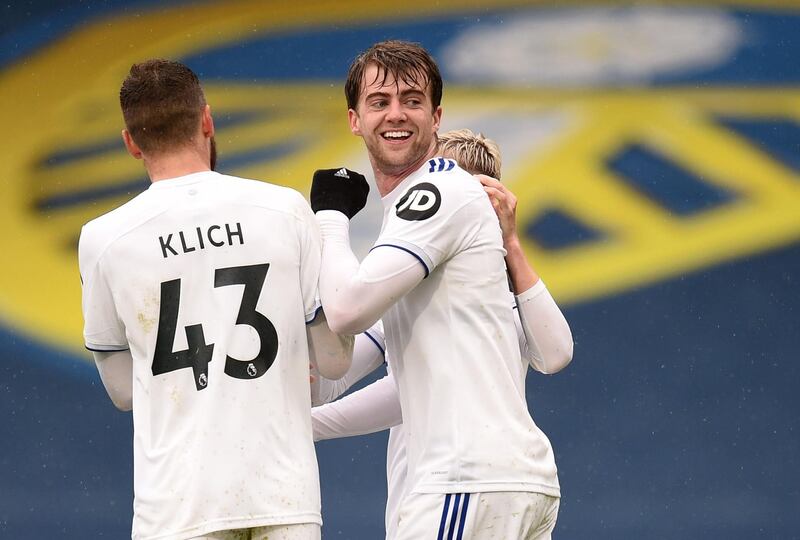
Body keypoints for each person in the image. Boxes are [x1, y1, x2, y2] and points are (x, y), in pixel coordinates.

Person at [78, 59, 352, 540]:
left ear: (131, 143)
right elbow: (332, 360)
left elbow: (122, 391)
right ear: (207, 119)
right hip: (281, 496)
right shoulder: (284, 209)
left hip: (176, 508)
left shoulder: (103, 239)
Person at [309, 40, 568, 539]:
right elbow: (335, 370)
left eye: (412, 100)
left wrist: (331, 216)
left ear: (437, 117)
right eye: (379, 102)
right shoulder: (413, 251)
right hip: (506, 480)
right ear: (354, 119)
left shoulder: (438, 192)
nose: (395, 114)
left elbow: (345, 312)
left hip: (464, 481)